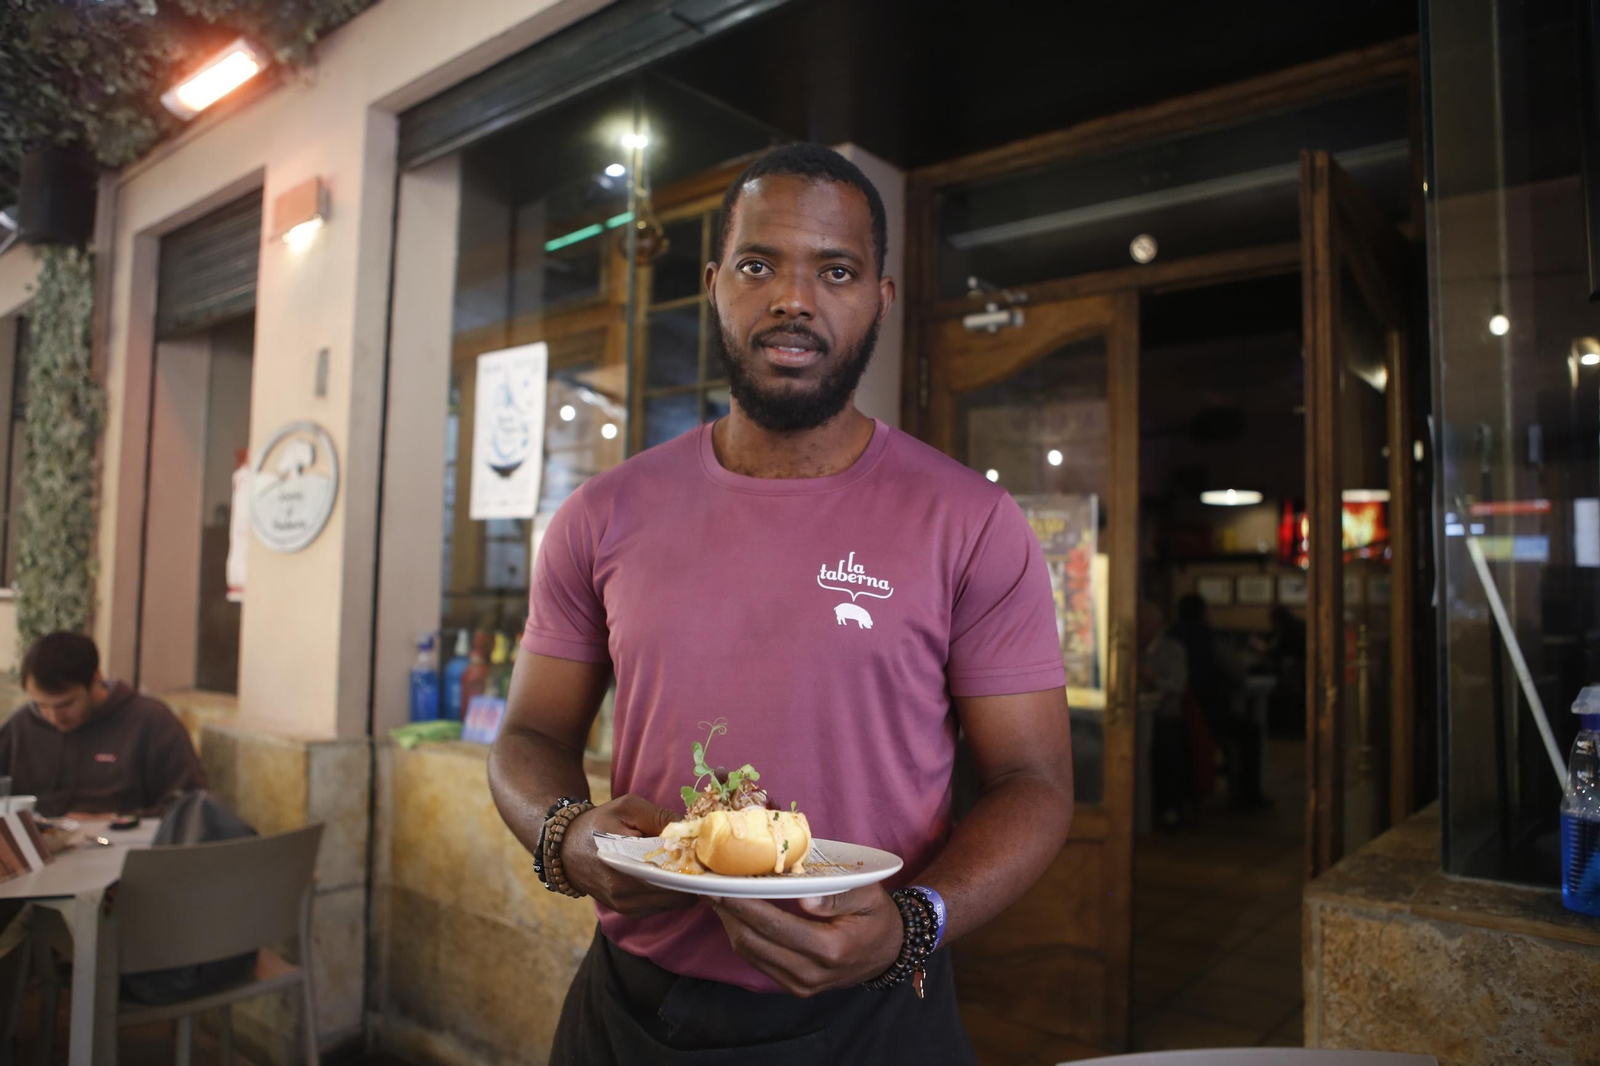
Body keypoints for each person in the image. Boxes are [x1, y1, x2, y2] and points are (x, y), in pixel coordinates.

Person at [489, 143, 1074, 1065]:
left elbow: (1033, 785)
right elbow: (527, 737)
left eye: (834, 271)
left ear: (879, 297)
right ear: (716, 283)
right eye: (759, 265)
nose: (793, 299)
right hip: (631, 1010)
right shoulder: (602, 516)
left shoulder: (970, 521)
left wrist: (912, 925)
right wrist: (567, 836)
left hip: (877, 1012)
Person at [0, 631, 206, 818]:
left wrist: (115, 820)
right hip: (35, 852)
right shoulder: (19, 728)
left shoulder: (151, 723)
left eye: (66, 704)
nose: (54, 717)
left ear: (95, 679)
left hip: (121, 847)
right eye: (41, 705)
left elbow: (192, 807)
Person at [1169, 594, 1265, 808]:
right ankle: (1248, 795)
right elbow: (1238, 674)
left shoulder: (1169, 635)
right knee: (1251, 732)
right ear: (1203, 613)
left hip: (1177, 712)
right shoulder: (1210, 638)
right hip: (1209, 712)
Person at [1138, 601, 1189, 828]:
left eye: (1146, 622)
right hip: (1137, 714)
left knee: (1166, 747)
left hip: (1165, 716)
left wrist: (1153, 679)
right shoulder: (1132, 648)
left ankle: (1168, 809)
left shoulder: (1172, 649)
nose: (1142, 627)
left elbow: (1177, 685)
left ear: (1158, 625)